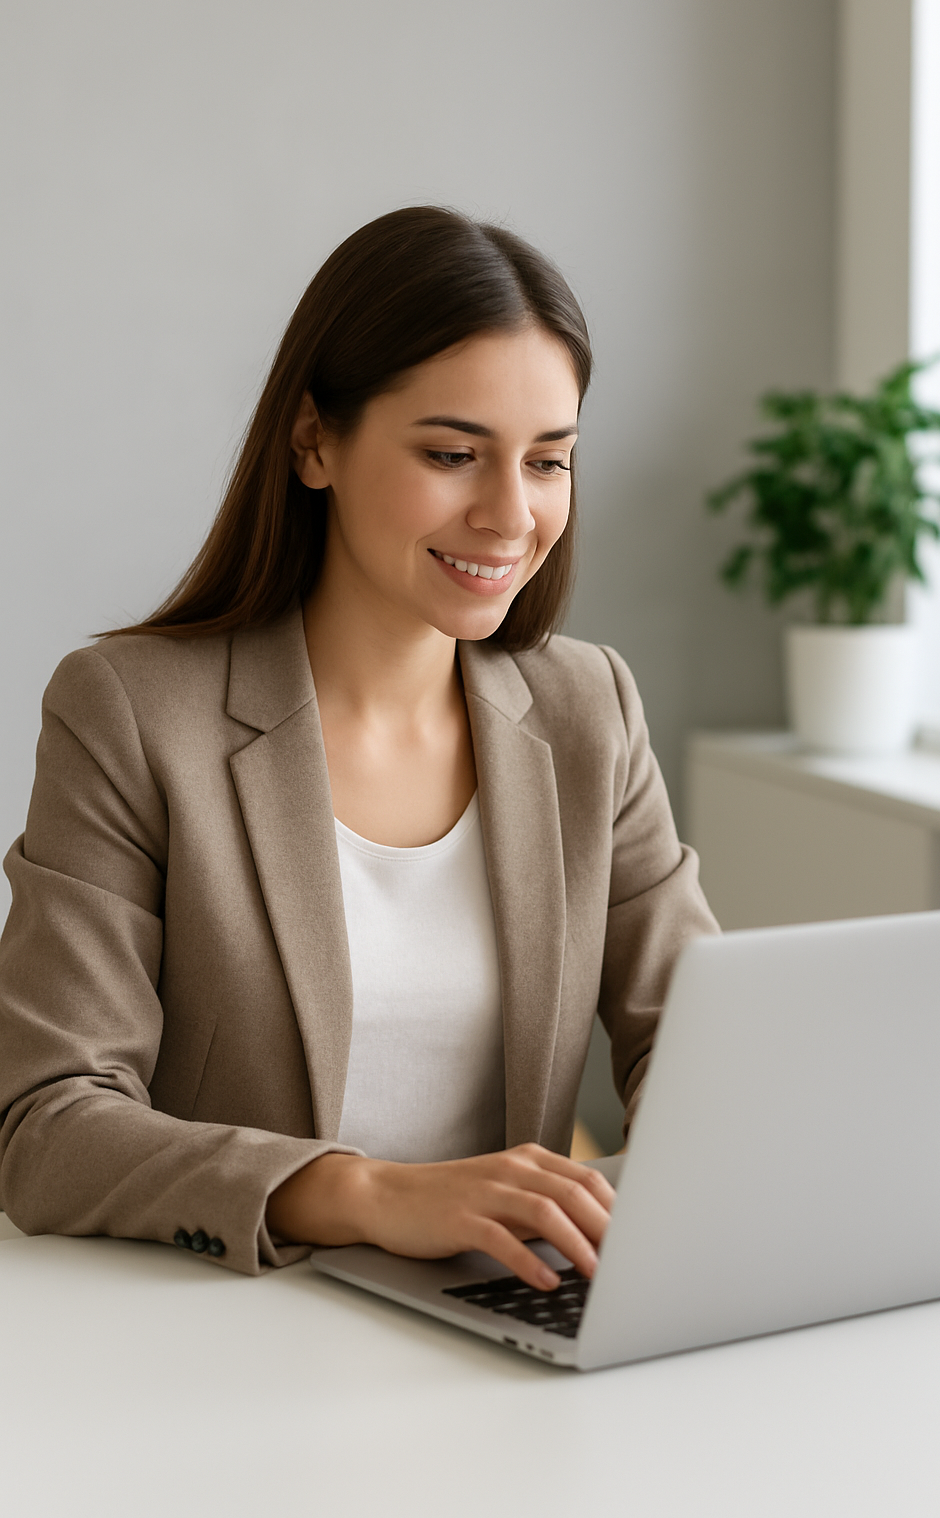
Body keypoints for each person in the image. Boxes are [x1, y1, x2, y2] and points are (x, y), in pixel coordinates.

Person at [0, 207, 718, 1288]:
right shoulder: (132, 713)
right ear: (314, 442)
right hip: (232, 1328)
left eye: (548, 462)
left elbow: (699, 1040)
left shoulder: (587, 709)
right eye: (451, 453)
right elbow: (45, 1121)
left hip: (496, 1315)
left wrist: (717, 1153)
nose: (510, 514)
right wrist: (367, 1193)